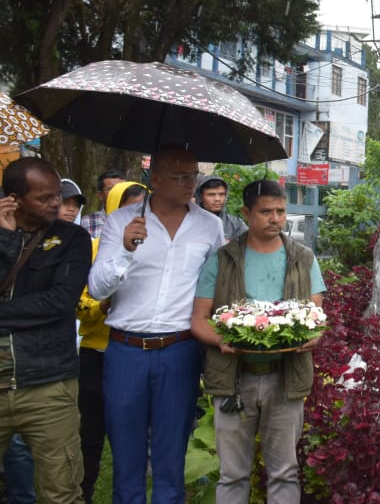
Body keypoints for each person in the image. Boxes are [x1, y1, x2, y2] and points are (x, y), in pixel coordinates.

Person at [89, 147, 225, 504]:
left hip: (179, 351)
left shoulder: (209, 226)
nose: (190, 184)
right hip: (125, 351)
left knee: (171, 454)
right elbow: (97, 287)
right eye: (181, 177)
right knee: (125, 454)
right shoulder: (121, 221)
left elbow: (216, 286)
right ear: (157, 179)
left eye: (193, 176)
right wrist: (125, 249)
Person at [191, 179, 326, 504]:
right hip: (235, 381)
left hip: (285, 379)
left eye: (280, 211)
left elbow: (315, 317)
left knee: (283, 473)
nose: (275, 218)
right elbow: (198, 320)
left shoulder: (303, 259)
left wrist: (311, 336)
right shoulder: (223, 260)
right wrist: (224, 339)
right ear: (246, 213)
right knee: (233, 475)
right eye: (266, 211)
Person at [0, 157, 91, 504]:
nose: (57, 204)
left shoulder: (72, 239)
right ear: (14, 198)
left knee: (62, 490)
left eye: (58, 195)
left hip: (49, 385)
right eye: (45, 198)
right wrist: (5, 241)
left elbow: (58, 303)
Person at [75, 181, 145, 504]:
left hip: (133, 355)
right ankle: (83, 492)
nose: (139, 215)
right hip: (96, 353)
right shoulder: (93, 248)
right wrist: (103, 305)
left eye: (143, 207)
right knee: (91, 435)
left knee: (129, 436)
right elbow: (79, 307)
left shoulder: (153, 249)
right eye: (130, 208)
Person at [194, 176, 248, 243]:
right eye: (211, 194)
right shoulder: (190, 222)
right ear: (200, 197)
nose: (217, 199)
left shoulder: (236, 223)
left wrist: (231, 246)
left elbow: (251, 246)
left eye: (221, 194)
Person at [80, 170, 125, 239]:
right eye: (111, 189)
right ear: (100, 195)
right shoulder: (87, 222)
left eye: (121, 188)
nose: (117, 192)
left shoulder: (137, 220)